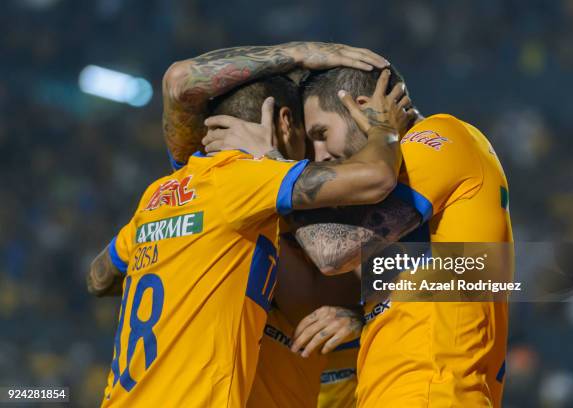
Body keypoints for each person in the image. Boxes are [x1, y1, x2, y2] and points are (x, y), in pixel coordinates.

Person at [87, 54, 406, 406]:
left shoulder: (422, 159)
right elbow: (178, 83)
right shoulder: (246, 189)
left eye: (322, 133)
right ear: (285, 123)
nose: (316, 155)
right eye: (312, 135)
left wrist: (366, 316)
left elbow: (473, 273)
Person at [207, 66, 513, 407]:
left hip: (430, 392)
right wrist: (358, 317)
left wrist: (272, 168)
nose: (319, 155)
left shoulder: (439, 136)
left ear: (364, 107)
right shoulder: (408, 190)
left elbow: (331, 254)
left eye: (321, 133)